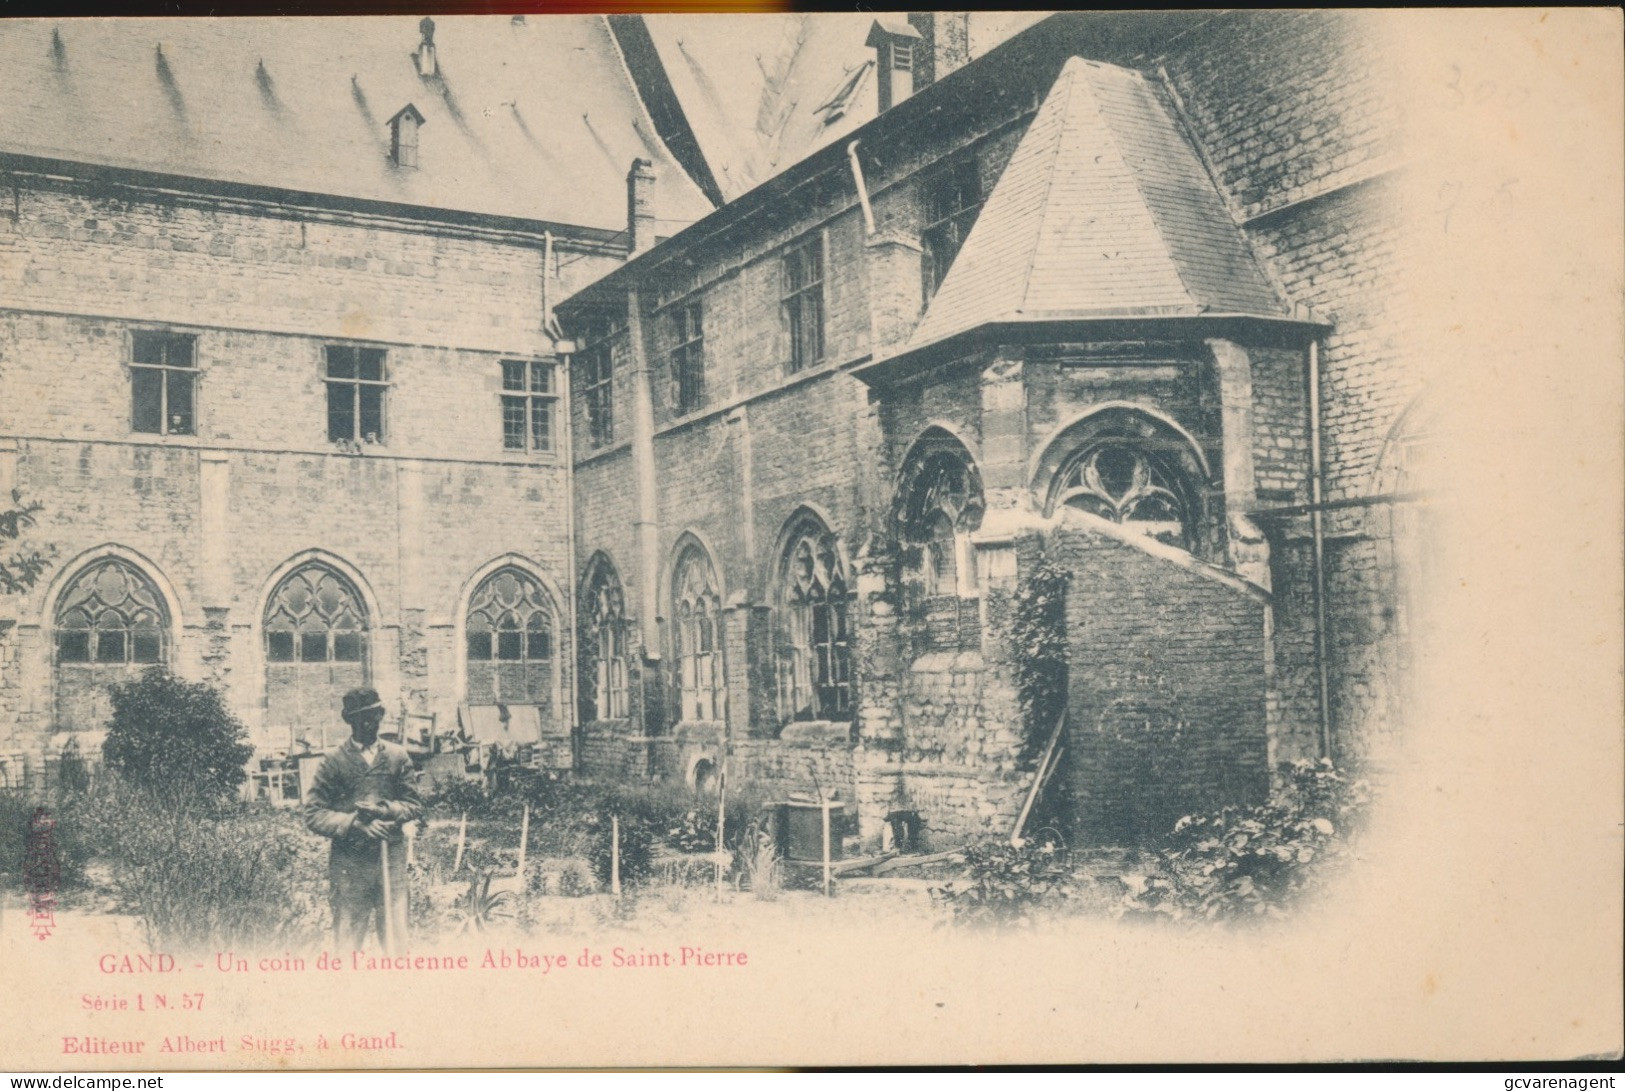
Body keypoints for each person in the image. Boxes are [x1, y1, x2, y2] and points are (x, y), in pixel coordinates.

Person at [303, 687, 422, 952]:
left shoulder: (396, 756)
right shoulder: (333, 762)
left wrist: (386, 810)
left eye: (376, 715)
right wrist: (354, 824)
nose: (372, 723)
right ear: (350, 721)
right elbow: (313, 813)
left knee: (396, 941)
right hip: (350, 864)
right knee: (347, 941)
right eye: (363, 718)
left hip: (390, 859)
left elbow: (413, 804)